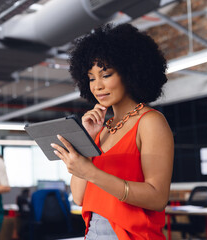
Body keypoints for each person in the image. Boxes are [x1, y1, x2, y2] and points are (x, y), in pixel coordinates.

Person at [51, 23, 174, 239]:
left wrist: (91, 172)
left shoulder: (150, 122)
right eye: (91, 78)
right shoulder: (102, 130)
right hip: (94, 231)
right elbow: (79, 197)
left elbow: (157, 197)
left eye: (105, 74)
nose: (97, 86)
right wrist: (86, 140)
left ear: (130, 72)